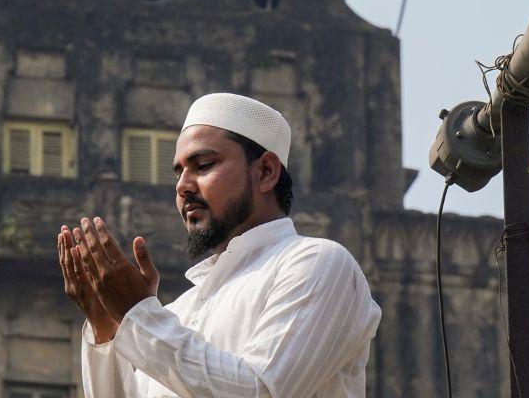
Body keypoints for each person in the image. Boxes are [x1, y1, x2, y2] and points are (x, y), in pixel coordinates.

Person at [56, 92, 382, 397]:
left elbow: (261, 390)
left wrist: (137, 314)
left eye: (203, 165)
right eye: (178, 172)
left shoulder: (316, 264)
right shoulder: (178, 313)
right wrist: (107, 327)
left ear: (266, 171)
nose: (183, 186)